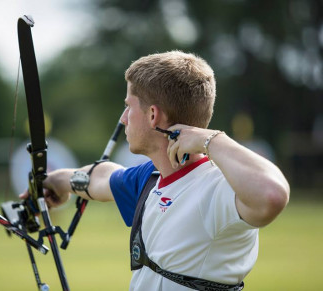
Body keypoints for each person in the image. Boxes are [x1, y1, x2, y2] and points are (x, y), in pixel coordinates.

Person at [20, 50, 290, 290]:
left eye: (128, 107)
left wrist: (211, 140)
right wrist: (55, 181)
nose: (124, 118)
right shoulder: (151, 180)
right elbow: (101, 177)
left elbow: (272, 195)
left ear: (152, 115)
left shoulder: (216, 188)